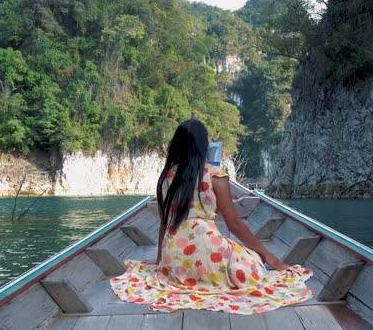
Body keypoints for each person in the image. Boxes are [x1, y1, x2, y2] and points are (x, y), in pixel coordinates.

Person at [110, 119, 313, 314]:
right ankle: (240, 265)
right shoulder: (215, 175)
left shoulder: (166, 177)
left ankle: (185, 273)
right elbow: (234, 224)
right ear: (204, 146)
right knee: (254, 261)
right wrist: (268, 255)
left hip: (174, 257)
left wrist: (161, 263)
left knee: (233, 257)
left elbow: (165, 223)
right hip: (208, 250)